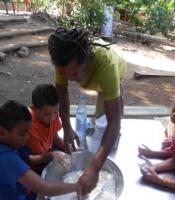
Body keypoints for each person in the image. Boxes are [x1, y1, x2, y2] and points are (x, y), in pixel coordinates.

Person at [48, 27, 126, 195]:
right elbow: (62, 94)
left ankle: (117, 98)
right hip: (95, 78)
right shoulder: (62, 60)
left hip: (113, 75)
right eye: (65, 74)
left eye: (75, 73)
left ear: (86, 61)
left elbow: (115, 123)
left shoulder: (105, 65)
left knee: (106, 121)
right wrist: (67, 127)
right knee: (99, 127)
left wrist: (93, 169)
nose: (70, 78)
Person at [0, 100, 80, 200]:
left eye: (28, 132)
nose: (27, 138)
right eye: (22, 134)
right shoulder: (5, 157)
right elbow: (44, 188)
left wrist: (51, 155)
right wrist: (78, 186)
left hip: (21, 187)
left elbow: (26, 159)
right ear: (2, 132)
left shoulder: (12, 143)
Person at [27, 84, 67, 174]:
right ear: (34, 109)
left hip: (46, 152)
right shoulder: (28, 126)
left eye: (56, 112)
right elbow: (31, 159)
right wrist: (52, 154)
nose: (52, 118)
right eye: (46, 114)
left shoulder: (52, 113)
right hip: (33, 165)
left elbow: (55, 137)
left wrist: (68, 147)